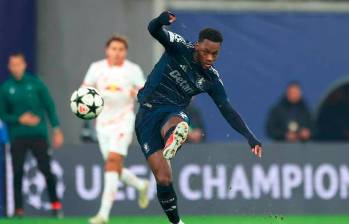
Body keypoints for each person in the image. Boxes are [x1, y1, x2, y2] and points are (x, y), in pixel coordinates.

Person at [135, 11, 263, 224]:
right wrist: (160, 21)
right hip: (146, 114)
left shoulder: (211, 79)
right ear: (197, 46)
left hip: (172, 111)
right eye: (206, 52)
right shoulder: (179, 47)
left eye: (215, 54)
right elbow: (153, 30)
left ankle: (174, 136)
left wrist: (250, 136)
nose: (210, 58)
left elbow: (227, 109)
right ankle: (176, 220)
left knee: (180, 121)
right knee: (164, 178)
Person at [82, 36, 149, 224]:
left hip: (123, 121)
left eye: (121, 49)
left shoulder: (132, 70)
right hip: (102, 122)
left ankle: (103, 215)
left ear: (125, 52)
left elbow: (145, 93)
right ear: (107, 50)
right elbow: (84, 91)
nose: (117, 52)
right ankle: (140, 184)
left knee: (112, 161)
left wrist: (135, 93)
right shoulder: (96, 68)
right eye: (114, 48)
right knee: (114, 167)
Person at [0, 53, 64, 217]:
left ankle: (56, 205)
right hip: (17, 137)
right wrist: (19, 119)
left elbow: (49, 106)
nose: (16, 68)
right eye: (12, 65)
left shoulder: (36, 84)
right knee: (17, 172)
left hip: (38, 135)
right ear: (9, 67)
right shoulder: (6, 88)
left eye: (18, 64)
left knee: (46, 170)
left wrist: (56, 128)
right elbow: (3, 114)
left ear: (24, 65)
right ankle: (18, 209)